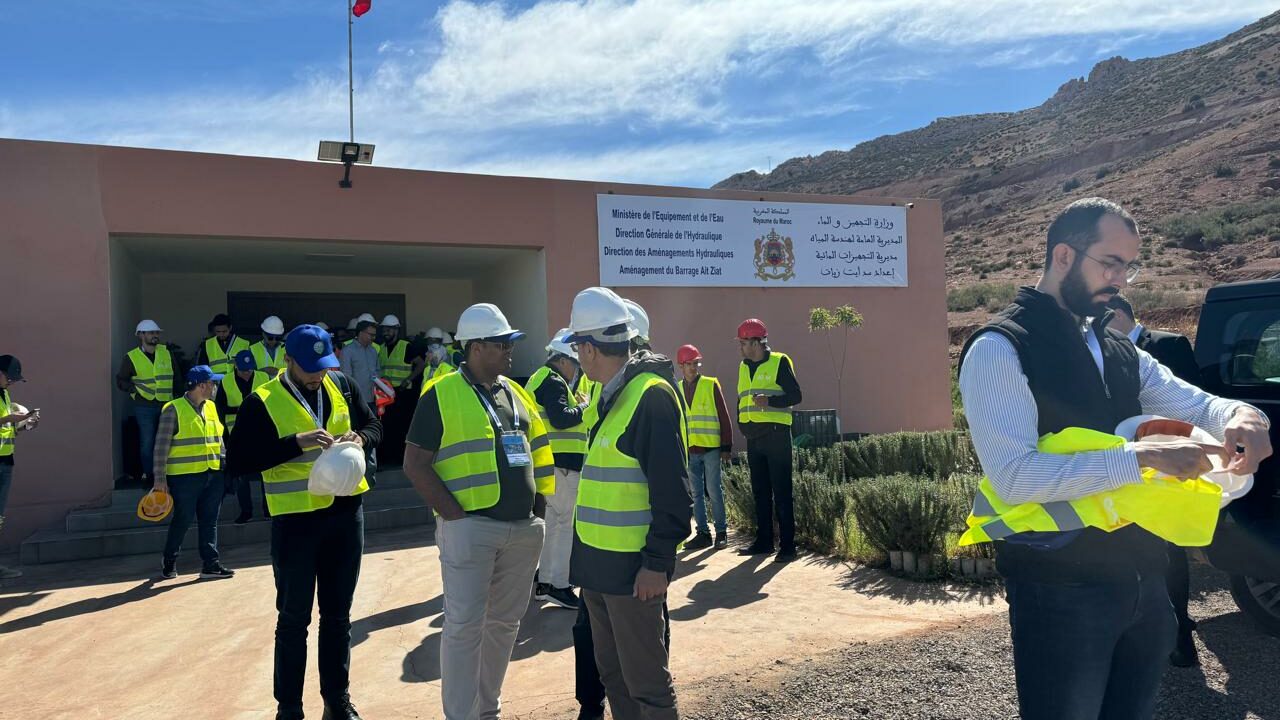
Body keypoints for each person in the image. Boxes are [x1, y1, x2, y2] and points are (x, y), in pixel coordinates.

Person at [958, 197, 1272, 720]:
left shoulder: (1119, 347)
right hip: (1058, 585)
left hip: (1146, 578)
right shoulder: (1001, 347)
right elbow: (1014, 478)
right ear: (1063, 255)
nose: (1121, 280)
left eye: (1129, 266)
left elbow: (1198, 403)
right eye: (1111, 263)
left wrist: (1246, 418)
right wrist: (1142, 459)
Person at [403, 303, 555, 720]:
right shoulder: (442, 392)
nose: (510, 350)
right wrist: (456, 517)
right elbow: (414, 463)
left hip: (522, 529)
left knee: (505, 624)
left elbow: (537, 452)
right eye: (502, 343)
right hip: (471, 527)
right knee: (464, 627)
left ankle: (488, 709)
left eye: (510, 343)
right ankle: (462, 715)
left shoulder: (516, 392)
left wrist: (537, 511)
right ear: (476, 347)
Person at [228, 324, 380, 720]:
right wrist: (295, 442)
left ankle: (337, 701)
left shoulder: (342, 385)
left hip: (346, 515)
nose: (318, 375)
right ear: (288, 360)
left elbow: (375, 425)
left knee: (338, 616)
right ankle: (290, 709)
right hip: (296, 522)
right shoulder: (261, 401)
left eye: (324, 366)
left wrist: (361, 438)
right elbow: (240, 461)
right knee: (294, 619)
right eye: (310, 367)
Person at [564, 286, 691, 720]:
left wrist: (657, 563)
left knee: (647, 687)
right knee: (615, 677)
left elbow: (674, 495)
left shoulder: (649, 396)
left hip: (633, 571)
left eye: (578, 346)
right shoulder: (610, 396)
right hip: (599, 570)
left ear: (587, 348)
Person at [1107, 294, 1205, 668]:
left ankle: (1181, 638)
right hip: (1124, 468)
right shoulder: (1099, 358)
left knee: (1169, 554)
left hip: (1168, 466)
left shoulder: (1168, 345)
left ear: (1117, 314)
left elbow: (1194, 401)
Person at [525, 329, 590, 609]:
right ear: (563, 360)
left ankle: (546, 580)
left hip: (551, 464)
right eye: (574, 364)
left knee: (553, 524)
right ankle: (558, 585)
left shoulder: (540, 379)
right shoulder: (551, 381)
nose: (575, 370)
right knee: (563, 526)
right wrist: (585, 407)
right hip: (560, 465)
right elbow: (562, 419)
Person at [153, 365, 236, 580]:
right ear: (201, 385)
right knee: (183, 518)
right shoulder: (173, 409)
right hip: (184, 477)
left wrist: (225, 463)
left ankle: (211, 564)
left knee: (210, 520)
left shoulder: (211, 407)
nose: (215, 387)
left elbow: (218, 439)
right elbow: (161, 447)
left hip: (212, 473)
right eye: (212, 383)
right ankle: (170, 560)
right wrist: (160, 479)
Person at [735, 318, 802, 563]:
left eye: (743, 342)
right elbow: (741, 399)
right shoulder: (743, 367)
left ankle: (788, 546)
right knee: (760, 492)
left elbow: (796, 395)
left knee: (782, 491)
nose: (740, 347)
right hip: (754, 438)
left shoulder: (779, 362)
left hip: (776, 435)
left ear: (755, 342)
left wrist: (770, 402)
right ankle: (764, 541)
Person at [676, 344, 732, 550]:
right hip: (690, 451)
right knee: (696, 494)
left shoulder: (710, 384)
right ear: (681, 366)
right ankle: (703, 533)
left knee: (713, 490)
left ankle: (722, 532)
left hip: (711, 448)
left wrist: (726, 446)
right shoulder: (677, 388)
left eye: (696, 363)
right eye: (689, 364)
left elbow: (724, 416)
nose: (693, 367)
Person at [116, 319, 178, 486]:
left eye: (156, 332)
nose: (155, 335)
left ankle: (169, 474)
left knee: (169, 440)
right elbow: (121, 380)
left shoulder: (166, 352)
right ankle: (150, 476)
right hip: (144, 405)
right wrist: (134, 391)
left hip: (167, 403)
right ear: (141, 335)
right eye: (151, 333)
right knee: (147, 442)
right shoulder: (131, 357)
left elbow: (176, 377)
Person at [217, 350, 270, 524]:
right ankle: (246, 511)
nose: (247, 373)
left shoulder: (263, 378)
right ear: (235, 366)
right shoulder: (225, 381)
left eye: (249, 369)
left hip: (262, 434)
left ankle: (268, 509)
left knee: (267, 474)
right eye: (243, 369)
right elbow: (220, 409)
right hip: (237, 435)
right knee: (242, 476)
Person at [0, 355, 39, 580]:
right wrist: (8, 420)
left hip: (5, 460)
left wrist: (24, 425)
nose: (12, 383)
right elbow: (4, 422)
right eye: (10, 378)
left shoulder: (4, 394)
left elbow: (7, 430)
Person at [377, 314, 413, 467]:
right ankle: (388, 458)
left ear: (396, 330)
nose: (386, 332)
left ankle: (401, 459)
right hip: (386, 395)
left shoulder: (406, 346)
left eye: (390, 329)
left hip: (403, 394)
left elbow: (420, 363)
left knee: (401, 427)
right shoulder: (382, 348)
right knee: (388, 426)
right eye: (384, 329)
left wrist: (408, 379)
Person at [339, 319, 382, 413]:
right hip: (356, 401)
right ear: (361, 333)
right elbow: (346, 377)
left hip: (374, 399)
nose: (373, 338)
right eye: (371, 335)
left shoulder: (373, 351)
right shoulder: (347, 351)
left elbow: (377, 372)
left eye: (374, 335)